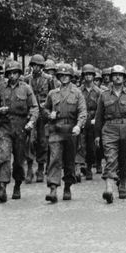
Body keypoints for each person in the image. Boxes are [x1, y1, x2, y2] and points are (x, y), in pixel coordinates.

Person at [0, 61, 39, 202]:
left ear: (19, 74)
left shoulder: (26, 88)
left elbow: (34, 107)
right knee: (3, 156)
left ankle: (17, 184)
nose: (12, 76)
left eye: (15, 73)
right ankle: (2, 188)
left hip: (21, 127)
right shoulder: (1, 87)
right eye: (10, 73)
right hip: (5, 125)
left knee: (18, 160)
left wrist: (31, 122)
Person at [94, 65, 126, 203]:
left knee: (125, 160)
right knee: (110, 158)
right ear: (111, 78)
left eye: (120, 75)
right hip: (109, 128)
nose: (117, 77)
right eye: (115, 75)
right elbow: (99, 117)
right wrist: (97, 135)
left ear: (124, 78)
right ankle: (108, 189)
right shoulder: (104, 95)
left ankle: (122, 185)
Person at [41, 64, 87, 203]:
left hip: (71, 131)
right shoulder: (53, 93)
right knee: (54, 158)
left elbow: (83, 112)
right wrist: (50, 115)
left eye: (67, 75)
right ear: (58, 77)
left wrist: (79, 125)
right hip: (56, 130)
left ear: (71, 77)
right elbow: (45, 109)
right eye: (61, 75)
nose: (64, 77)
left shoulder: (77, 93)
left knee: (69, 160)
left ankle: (67, 186)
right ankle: (53, 188)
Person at [25, 54, 54, 184]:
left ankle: (41, 168)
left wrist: (49, 107)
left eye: (38, 66)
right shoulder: (26, 80)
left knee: (43, 142)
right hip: (31, 114)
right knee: (30, 141)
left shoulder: (49, 79)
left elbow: (54, 95)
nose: (36, 68)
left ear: (42, 67)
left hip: (44, 115)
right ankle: (30, 168)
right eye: (34, 65)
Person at [79, 64, 102, 181]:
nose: (88, 77)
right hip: (82, 120)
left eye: (90, 74)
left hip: (93, 121)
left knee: (91, 147)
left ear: (93, 76)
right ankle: (81, 166)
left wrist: (96, 120)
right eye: (86, 74)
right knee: (80, 144)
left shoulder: (98, 92)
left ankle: (89, 167)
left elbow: (101, 108)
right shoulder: (78, 91)